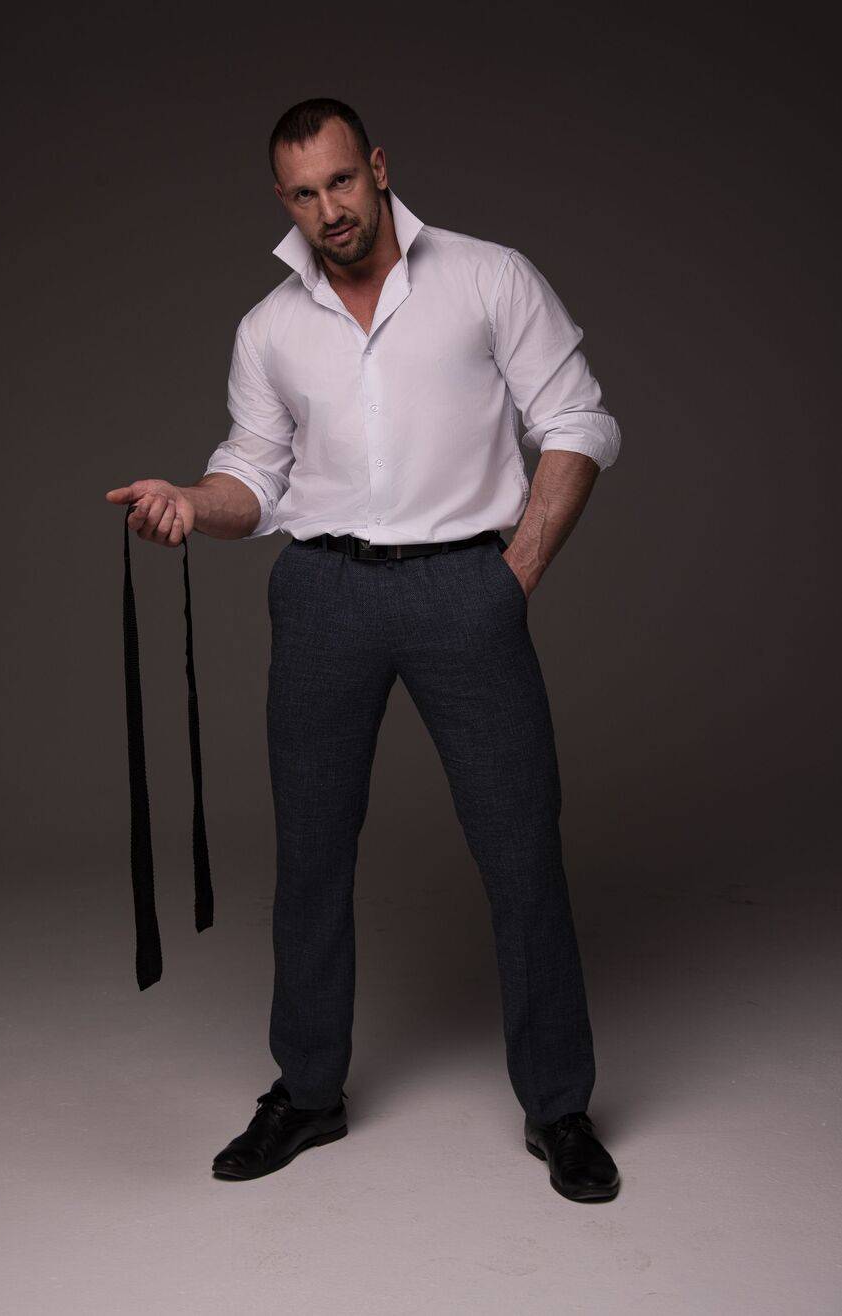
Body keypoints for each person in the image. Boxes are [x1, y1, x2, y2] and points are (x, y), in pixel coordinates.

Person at [105, 97, 622, 1202]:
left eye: (341, 181)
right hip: (323, 594)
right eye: (304, 194)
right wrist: (191, 501)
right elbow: (253, 476)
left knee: (520, 848)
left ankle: (559, 1106)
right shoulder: (268, 328)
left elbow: (576, 420)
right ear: (282, 201)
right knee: (310, 854)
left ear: (378, 168)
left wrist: (514, 574)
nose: (328, 209)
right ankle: (307, 1092)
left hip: (462, 588)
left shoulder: (488, 277)